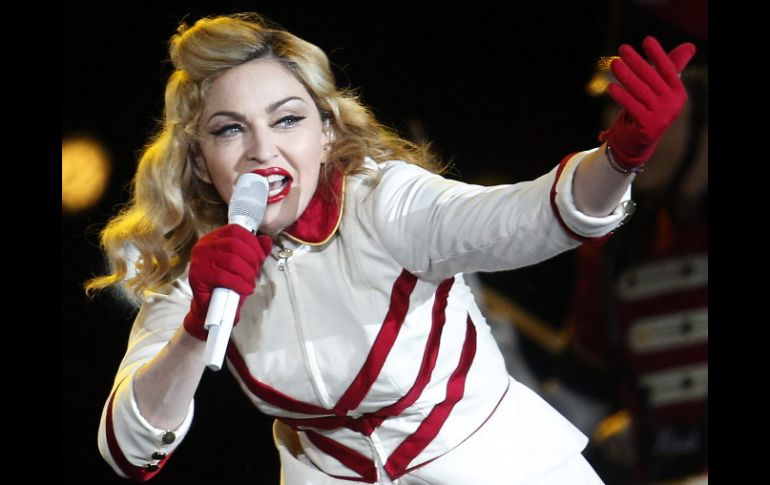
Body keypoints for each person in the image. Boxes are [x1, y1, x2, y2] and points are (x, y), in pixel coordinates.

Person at [86, 12, 695, 484]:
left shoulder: (385, 202)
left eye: (287, 119)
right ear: (200, 159)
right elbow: (129, 451)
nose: (262, 150)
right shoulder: (195, 267)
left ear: (327, 133)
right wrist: (196, 328)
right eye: (229, 129)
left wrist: (618, 159)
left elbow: (525, 217)